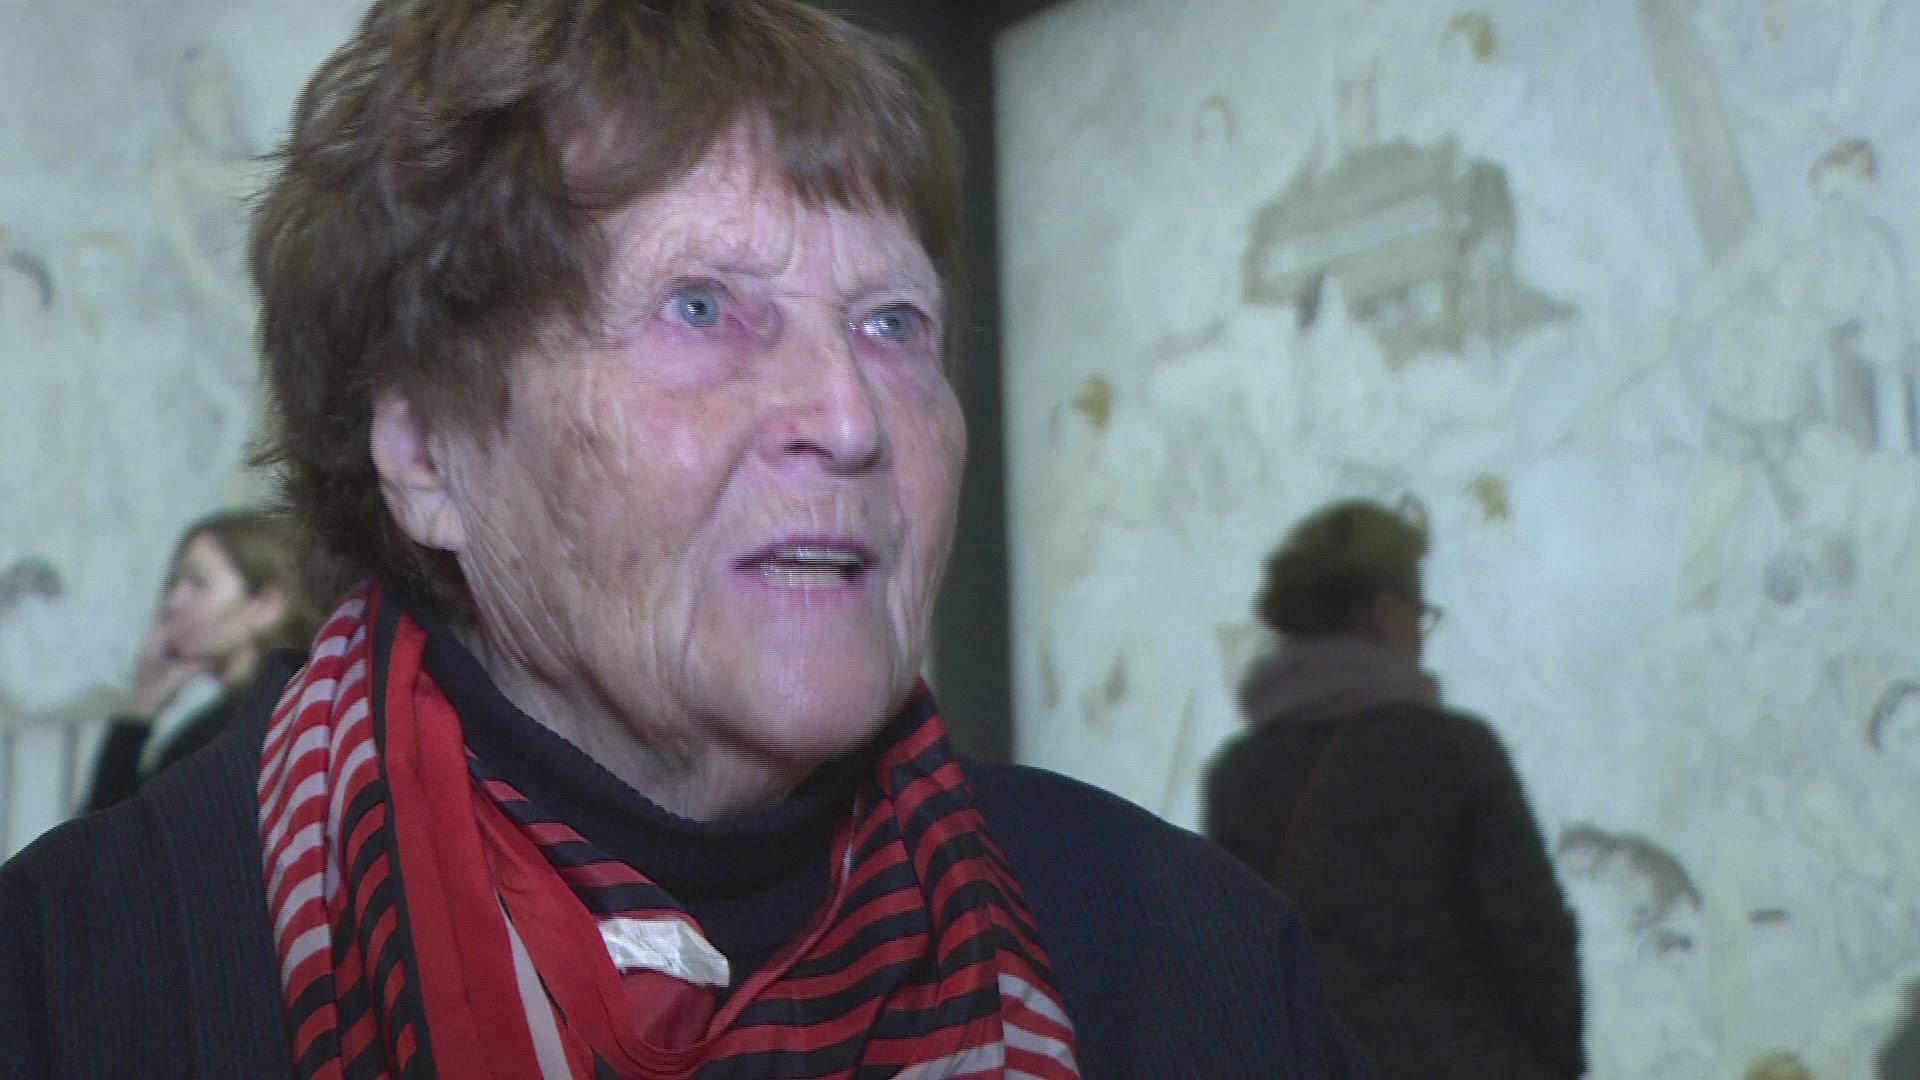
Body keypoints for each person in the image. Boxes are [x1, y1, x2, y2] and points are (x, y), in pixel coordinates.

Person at [0, 2, 1370, 1076]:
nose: (850, 416)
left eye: (894, 323)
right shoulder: (76, 986)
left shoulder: (1194, 964)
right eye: (703, 309)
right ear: (424, 454)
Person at [1203, 498, 1586, 1078]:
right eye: (1419, 609)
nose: (1422, 632)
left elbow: (1227, 961)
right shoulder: (1453, 751)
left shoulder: (1239, 774)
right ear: (1383, 609)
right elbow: (1532, 936)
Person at [80, 508, 320, 812]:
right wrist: (144, 702)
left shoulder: (232, 736)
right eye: (175, 581)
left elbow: (111, 834)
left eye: (198, 583)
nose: (172, 601)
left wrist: (137, 715)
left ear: (266, 606)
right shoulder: (286, 706)